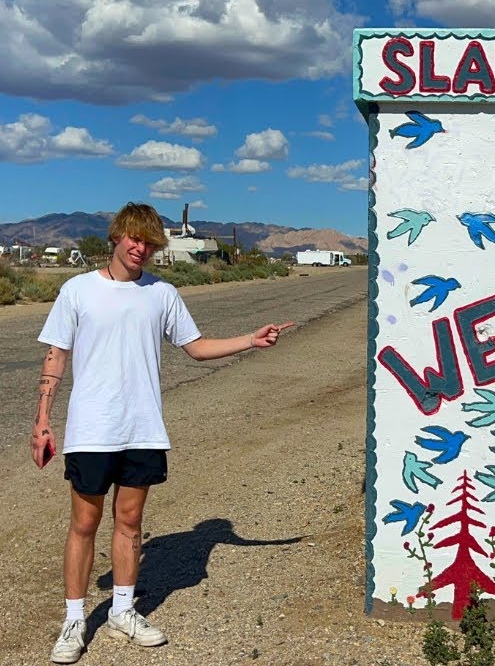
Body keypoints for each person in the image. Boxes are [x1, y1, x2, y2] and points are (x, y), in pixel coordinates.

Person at [28, 203, 295, 665]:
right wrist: (42, 420)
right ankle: (73, 620)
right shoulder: (77, 290)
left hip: (143, 427)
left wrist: (250, 341)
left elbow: (196, 347)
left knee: (130, 521)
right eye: (135, 238)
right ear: (117, 236)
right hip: (92, 429)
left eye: (150, 243)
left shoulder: (162, 294)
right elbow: (56, 356)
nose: (141, 248)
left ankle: (122, 611)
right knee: (84, 524)